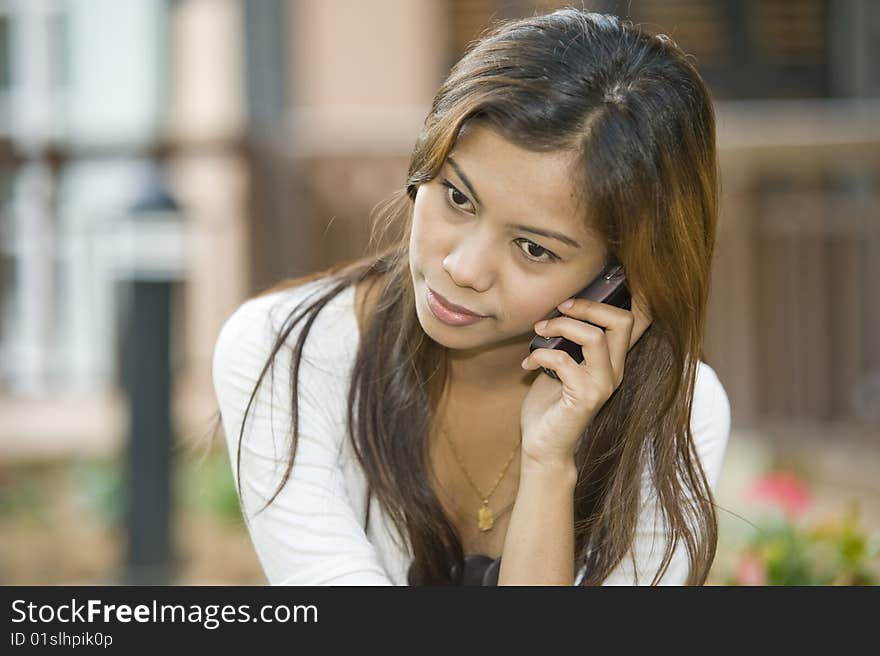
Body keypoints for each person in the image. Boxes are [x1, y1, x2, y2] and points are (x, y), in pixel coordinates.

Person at [211, 8, 731, 586]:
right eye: (457, 197)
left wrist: (548, 465)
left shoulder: (676, 414)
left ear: (621, 276)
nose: (462, 268)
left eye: (534, 249)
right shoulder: (287, 352)